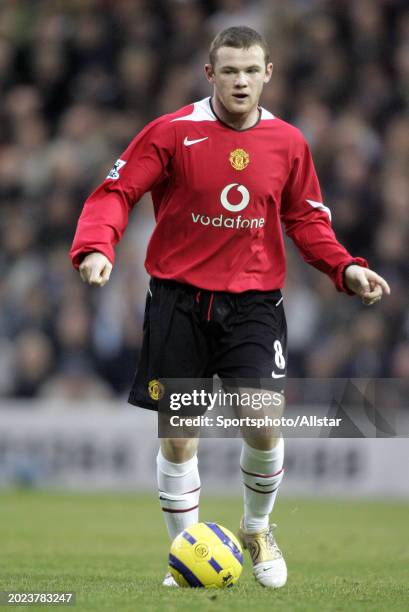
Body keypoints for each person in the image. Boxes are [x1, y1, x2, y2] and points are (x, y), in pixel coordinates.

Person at [70, 26, 390, 588]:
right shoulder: (171, 133)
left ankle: (257, 527)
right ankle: (185, 552)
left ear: (269, 73)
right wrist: (98, 246)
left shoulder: (289, 142)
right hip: (179, 300)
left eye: (251, 70)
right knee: (178, 436)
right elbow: (116, 192)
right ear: (210, 74)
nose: (240, 80)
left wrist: (345, 267)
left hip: (254, 303)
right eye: (230, 70)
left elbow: (306, 219)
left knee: (263, 424)